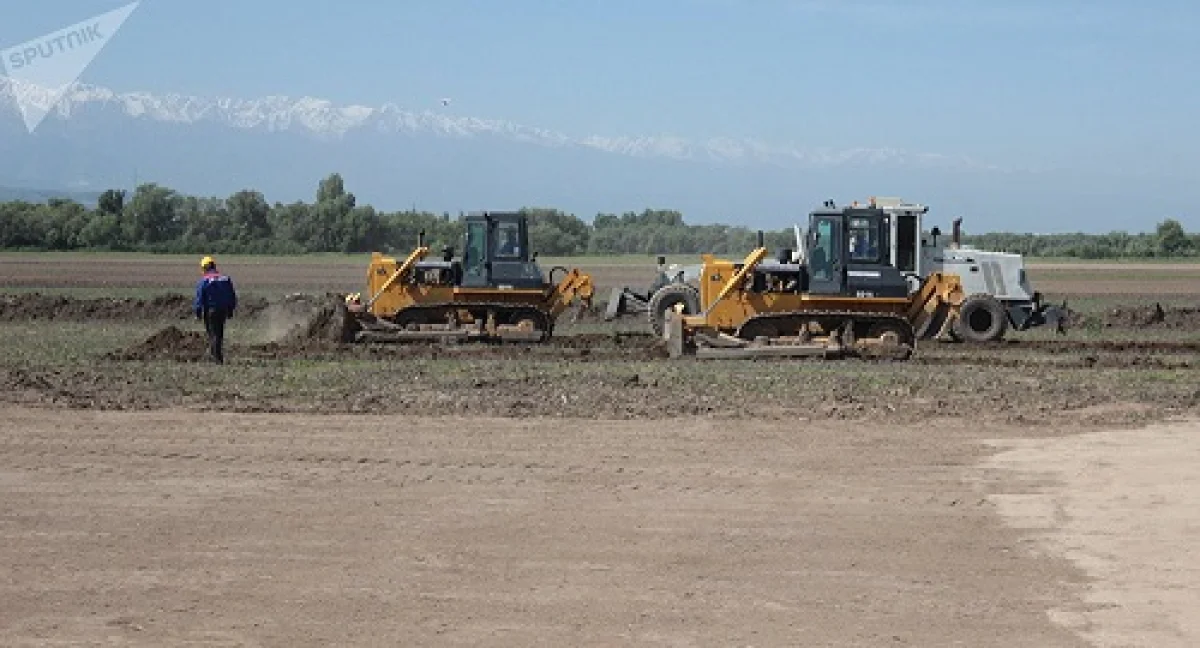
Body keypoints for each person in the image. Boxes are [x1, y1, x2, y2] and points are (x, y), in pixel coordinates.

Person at [193, 256, 237, 364]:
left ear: (204, 268)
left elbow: (200, 298)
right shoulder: (225, 279)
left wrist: (198, 312)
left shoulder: (203, 281)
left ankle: (216, 358)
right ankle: (216, 355)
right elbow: (231, 295)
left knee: (213, 334)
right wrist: (230, 309)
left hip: (210, 311)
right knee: (219, 333)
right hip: (222, 310)